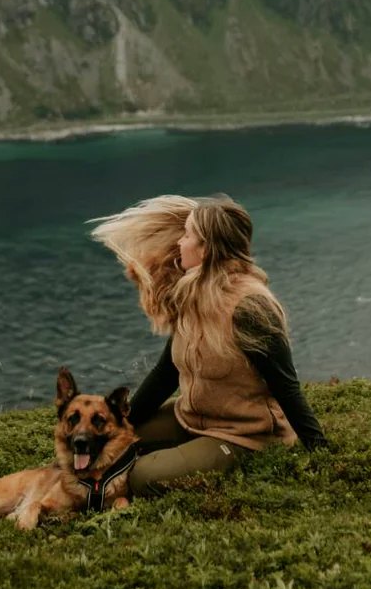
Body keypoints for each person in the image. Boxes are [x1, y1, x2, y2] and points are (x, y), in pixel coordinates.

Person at [89, 194, 327, 496]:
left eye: (188, 235)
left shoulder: (251, 308)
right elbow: (166, 374)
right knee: (101, 443)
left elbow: (286, 387)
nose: (179, 242)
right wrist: (122, 424)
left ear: (207, 248)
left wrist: (321, 454)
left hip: (243, 435)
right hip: (190, 418)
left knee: (143, 478)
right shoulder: (192, 291)